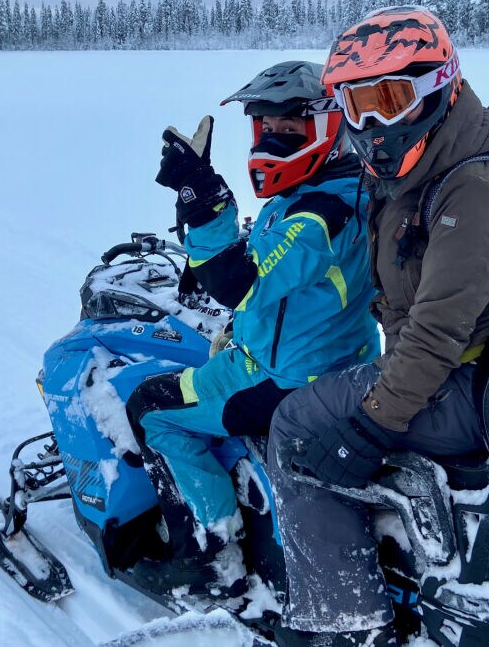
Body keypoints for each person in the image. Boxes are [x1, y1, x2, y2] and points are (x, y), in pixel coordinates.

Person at [267, 7, 489, 647]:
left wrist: (370, 427)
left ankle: (344, 621)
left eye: (389, 100)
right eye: (356, 104)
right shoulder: (427, 165)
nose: (371, 126)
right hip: (482, 371)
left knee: (292, 425)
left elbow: (434, 336)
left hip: (466, 385)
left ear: (437, 86)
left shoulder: (470, 189)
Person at [125, 60, 379, 597]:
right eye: (265, 127)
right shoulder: (353, 189)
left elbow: (239, 281)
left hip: (286, 379)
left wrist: (202, 192)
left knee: (150, 409)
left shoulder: (318, 216)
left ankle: (208, 555)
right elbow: (277, 283)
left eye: (291, 128)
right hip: (343, 365)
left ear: (331, 129)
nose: (273, 140)